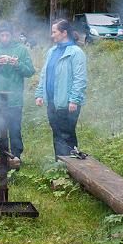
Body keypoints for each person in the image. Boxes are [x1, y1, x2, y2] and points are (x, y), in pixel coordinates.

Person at [35, 19, 87, 159]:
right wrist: (40, 94)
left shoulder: (76, 52)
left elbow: (80, 79)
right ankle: (59, 164)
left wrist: (74, 100)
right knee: (57, 134)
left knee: (67, 135)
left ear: (64, 33)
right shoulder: (52, 51)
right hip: (52, 102)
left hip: (67, 104)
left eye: (54, 32)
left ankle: (72, 168)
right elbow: (44, 74)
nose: (52, 35)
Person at [0, 22, 35, 160]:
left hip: (15, 100)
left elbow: (30, 71)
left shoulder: (21, 50)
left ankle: (16, 158)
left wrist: (18, 64)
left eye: (7, 35)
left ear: (12, 35)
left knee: (15, 130)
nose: (4, 38)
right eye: (2, 35)